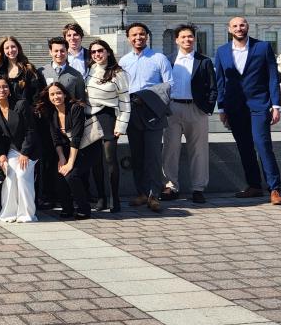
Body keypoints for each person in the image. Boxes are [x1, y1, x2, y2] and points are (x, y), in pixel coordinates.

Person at [215, 16, 281, 206]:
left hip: (259, 105)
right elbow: (220, 82)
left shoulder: (262, 47)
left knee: (263, 145)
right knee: (244, 148)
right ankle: (254, 185)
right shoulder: (221, 52)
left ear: (248, 27)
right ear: (229, 29)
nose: (239, 28)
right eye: (235, 26)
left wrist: (276, 106)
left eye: (242, 25)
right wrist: (221, 108)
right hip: (234, 107)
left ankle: (274, 189)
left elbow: (272, 77)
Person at [118, 22, 172, 213]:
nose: (138, 38)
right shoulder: (124, 61)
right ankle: (141, 192)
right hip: (133, 111)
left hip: (152, 111)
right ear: (128, 38)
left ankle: (154, 194)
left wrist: (147, 97)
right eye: (134, 35)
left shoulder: (159, 58)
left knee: (153, 155)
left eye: (141, 34)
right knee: (137, 154)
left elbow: (168, 85)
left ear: (147, 36)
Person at [162, 25, 217, 204]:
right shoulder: (168, 60)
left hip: (196, 109)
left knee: (199, 151)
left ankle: (198, 188)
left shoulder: (204, 61)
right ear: (176, 40)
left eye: (190, 37)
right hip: (173, 109)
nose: (187, 40)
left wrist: (206, 108)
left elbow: (212, 87)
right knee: (170, 149)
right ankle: (171, 186)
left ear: (194, 39)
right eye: (183, 37)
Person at [83, 39, 129, 213]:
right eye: (93, 52)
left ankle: (114, 198)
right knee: (95, 161)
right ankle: (101, 197)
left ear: (108, 52)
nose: (97, 55)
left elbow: (125, 102)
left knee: (110, 160)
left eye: (100, 51)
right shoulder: (91, 70)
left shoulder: (118, 73)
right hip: (91, 117)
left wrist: (121, 125)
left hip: (108, 117)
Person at [0, 75, 38, 223]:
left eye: (5, 87)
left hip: (28, 149)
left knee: (22, 176)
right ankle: (9, 213)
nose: (1, 90)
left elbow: (30, 131)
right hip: (11, 149)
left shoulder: (21, 104)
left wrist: (25, 153)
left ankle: (27, 215)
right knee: (9, 173)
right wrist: (1, 155)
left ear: (9, 90)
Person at [37, 81, 88, 219]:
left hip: (85, 149)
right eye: (52, 94)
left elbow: (76, 138)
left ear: (65, 94)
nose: (56, 97)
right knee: (59, 174)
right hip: (66, 150)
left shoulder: (75, 108)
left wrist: (70, 163)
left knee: (71, 175)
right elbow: (56, 139)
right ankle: (67, 208)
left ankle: (84, 208)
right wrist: (62, 158)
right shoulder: (52, 113)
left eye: (58, 93)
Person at [1, 36, 42, 105]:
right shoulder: (0, 70)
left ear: (18, 48)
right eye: (7, 48)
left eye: (13, 47)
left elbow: (36, 93)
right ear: (3, 51)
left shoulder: (28, 69)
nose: (10, 50)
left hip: (25, 111)